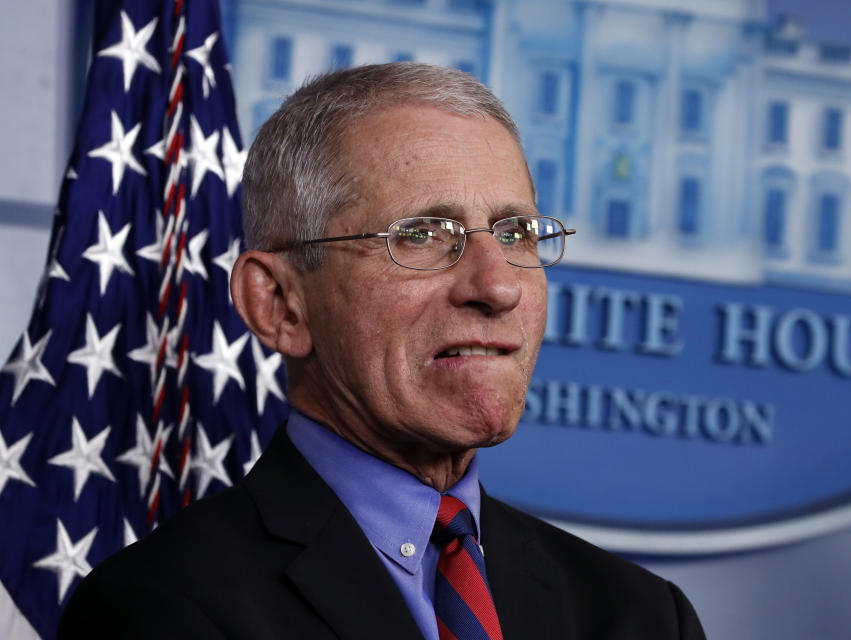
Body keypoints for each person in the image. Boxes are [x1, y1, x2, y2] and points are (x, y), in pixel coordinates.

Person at [59, 62, 705, 639]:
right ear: (280, 304)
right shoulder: (160, 611)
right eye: (423, 234)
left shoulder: (640, 617)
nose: (499, 284)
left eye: (516, 232)